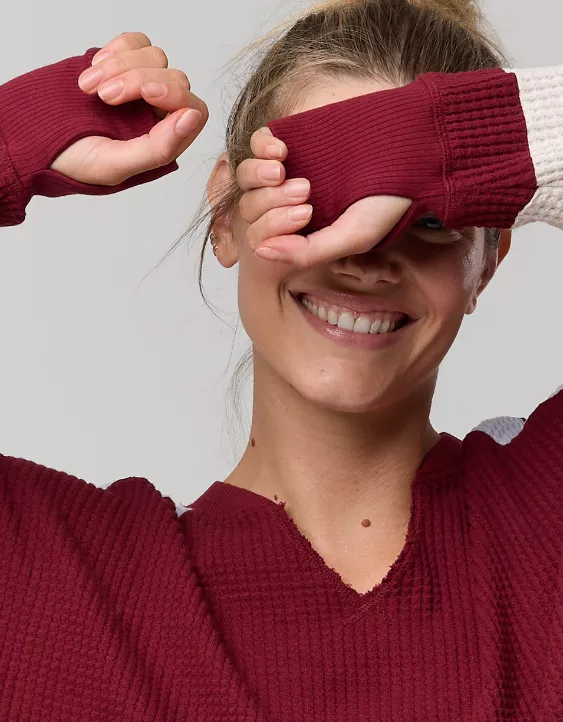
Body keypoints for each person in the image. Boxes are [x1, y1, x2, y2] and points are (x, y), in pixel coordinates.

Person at [0, 0, 561, 719]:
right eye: (318, 199)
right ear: (225, 215)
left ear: (487, 262)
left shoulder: (545, 516)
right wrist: (11, 137)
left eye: (428, 219)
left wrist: (470, 135)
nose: (364, 254)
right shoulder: (49, 583)